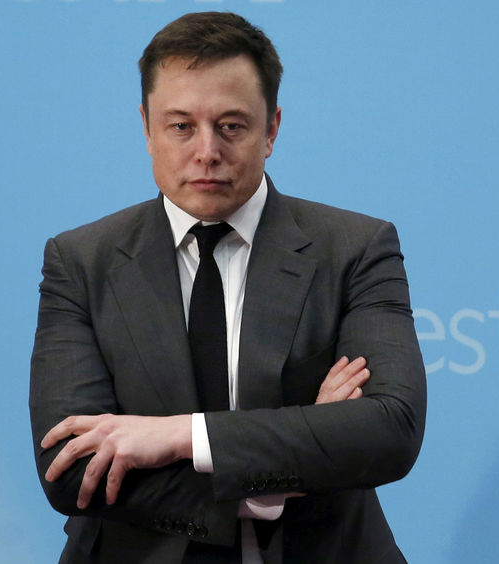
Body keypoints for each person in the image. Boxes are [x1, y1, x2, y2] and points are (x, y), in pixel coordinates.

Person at [30, 11, 426, 564]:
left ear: (272, 129)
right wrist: (268, 487)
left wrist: (180, 436)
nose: (207, 151)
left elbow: (389, 430)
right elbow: (71, 469)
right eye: (181, 126)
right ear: (146, 127)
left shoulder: (356, 248)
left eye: (232, 125)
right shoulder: (81, 261)